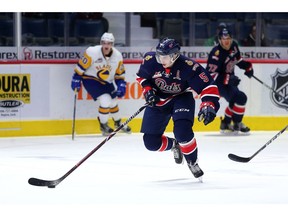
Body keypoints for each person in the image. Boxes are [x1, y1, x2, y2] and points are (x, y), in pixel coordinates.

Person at [136, 38, 220, 181]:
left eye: (165, 56)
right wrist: (148, 91)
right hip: (159, 99)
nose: (161, 59)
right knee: (150, 143)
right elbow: (142, 78)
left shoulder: (189, 66)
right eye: (159, 55)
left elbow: (208, 86)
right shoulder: (150, 59)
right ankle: (175, 145)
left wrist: (208, 104)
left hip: (181, 98)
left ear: (175, 55)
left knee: (182, 132)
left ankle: (192, 161)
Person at [71, 32, 131, 136]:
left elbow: (119, 74)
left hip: (107, 81)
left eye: (109, 43)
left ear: (112, 44)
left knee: (113, 101)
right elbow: (81, 67)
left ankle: (118, 123)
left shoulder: (117, 56)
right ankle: (103, 125)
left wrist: (121, 84)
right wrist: (76, 78)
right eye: (104, 43)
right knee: (105, 100)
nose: (106, 45)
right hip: (91, 78)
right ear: (101, 43)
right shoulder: (92, 52)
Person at [206, 28, 254, 133]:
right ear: (219, 40)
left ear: (231, 39)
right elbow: (210, 75)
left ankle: (226, 123)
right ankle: (236, 123)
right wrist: (228, 79)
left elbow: (237, 60)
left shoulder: (234, 46)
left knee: (237, 100)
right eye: (224, 39)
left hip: (228, 82)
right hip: (218, 84)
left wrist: (247, 67)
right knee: (240, 97)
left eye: (228, 38)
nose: (226, 41)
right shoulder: (216, 53)